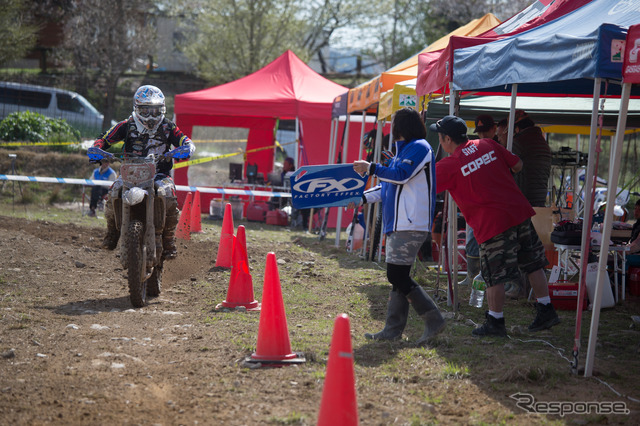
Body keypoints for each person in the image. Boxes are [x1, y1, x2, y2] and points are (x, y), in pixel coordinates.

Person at [431, 115, 559, 337]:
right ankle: (546, 309)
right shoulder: (488, 144)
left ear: (447, 139)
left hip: (491, 223)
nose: (440, 143)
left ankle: (496, 322)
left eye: (440, 139)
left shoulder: (449, 165)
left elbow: (425, 186)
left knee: (493, 274)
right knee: (532, 263)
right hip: (518, 211)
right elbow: (518, 165)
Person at [351, 107, 444, 345]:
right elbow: (387, 187)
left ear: (400, 127)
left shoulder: (421, 147)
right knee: (398, 275)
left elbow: (401, 175)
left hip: (411, 222)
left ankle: (433, 319)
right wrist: (361, 198)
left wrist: (371, 168)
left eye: (394, 124)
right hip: (400, 223)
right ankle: (393, 329)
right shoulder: (400, 154)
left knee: (396, 274)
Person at [92, 85, 195, 260]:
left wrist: (186, 148)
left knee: (169, 196)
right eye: (146, 110)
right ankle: (112, 232)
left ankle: (169, 239)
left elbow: (185, 140)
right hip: (129, 174)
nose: (151, 116)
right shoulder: (127, 125)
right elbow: (104, 138)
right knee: (113, 194)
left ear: (162, 109)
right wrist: (96, 148)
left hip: (160, 174)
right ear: (137, 108)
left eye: (155, 111)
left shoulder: (168, 126)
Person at [460, 115, 498, 286]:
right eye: (479, 132)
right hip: (476, 202)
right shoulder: (474, 147)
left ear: (494, 129)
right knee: (472, 240)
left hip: (493, 204)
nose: (482, 136)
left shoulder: (499, 146)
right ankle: (471, 276)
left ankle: (486, 277)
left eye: (485, 131)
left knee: (491, 244)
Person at [511, 110, 552, 207]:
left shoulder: (519, 142)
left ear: (517, 129)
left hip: (524, 198)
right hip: (540, 195)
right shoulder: (543, 143)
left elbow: (511, 169)